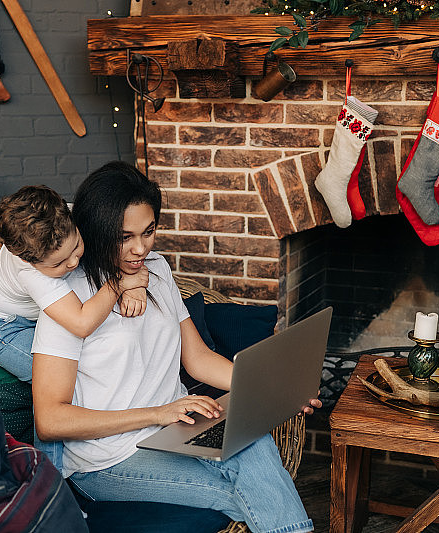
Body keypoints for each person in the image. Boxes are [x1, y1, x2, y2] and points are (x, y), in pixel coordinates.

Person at [31, 161, 320, 533]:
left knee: (256, 444)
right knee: (247, 491)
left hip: (179, 431)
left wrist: (279, 389)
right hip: (108, 460)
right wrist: (158, 413)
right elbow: (50, 420)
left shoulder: (158, 270)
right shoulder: (69, 303)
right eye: (124, 237)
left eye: (148, 231)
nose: (140, 248)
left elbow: (197, 359)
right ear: (98, 231)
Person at [0, 185, 148, 471]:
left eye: (76, 246)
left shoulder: (65, 217)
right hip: (3, 327)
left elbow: (130, 244)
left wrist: (137, 282)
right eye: (60, 264)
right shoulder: (30, 271)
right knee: (60, 387)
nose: (74, 262)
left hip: (44, 316)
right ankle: (51, 474)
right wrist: (120, 283)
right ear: (32, 261)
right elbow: (82, 322)